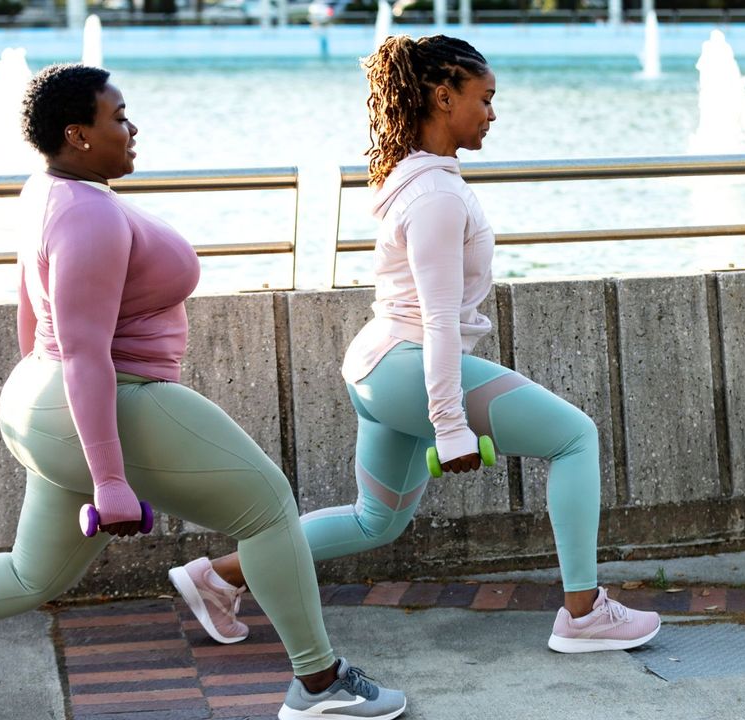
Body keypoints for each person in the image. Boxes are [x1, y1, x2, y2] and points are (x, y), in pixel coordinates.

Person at [0, 63, 406, 720]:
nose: (132, 127)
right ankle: (321, 685)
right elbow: (86, 349)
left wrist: (58, 421)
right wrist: (110, 479)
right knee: (268, 509)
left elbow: (30, 313)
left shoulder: (50, 191)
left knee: (34, 574)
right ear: (79, 134)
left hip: (49, 400)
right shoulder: (87, 215)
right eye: (118, 116)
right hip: (100, 399)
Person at [170, 34, 661, 656]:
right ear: (442, 95)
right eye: (483, 99)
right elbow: (438, 320)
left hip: (379, 370)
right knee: (575, 437)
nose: (492, 113)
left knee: (375, 520)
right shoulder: (434, 195)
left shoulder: (415, 178)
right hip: (406, 364)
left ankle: (216, 576)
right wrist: (449, 423)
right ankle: (584, 613)